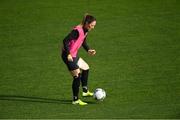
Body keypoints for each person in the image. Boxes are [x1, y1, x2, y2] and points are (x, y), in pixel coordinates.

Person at [61, 14, 96, 105]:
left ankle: (85, 91)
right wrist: (68, 54)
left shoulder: (85, 30)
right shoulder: (77, 31)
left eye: (94, 26)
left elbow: (83, 41)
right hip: (67, 55)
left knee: (86, 68)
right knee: (77, 76)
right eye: (91, 25)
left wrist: (88, 49)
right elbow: (65, 40)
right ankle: (75, 100)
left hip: (73, 55)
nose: (92, 27)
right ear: (87, 23)